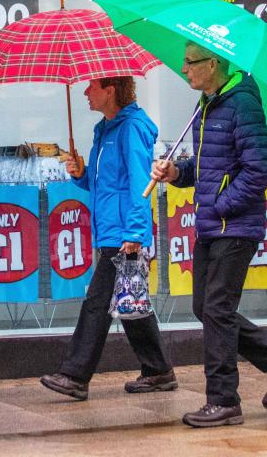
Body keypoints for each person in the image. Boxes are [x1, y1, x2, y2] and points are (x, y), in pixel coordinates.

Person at [151, 43, 267, 428]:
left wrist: (220, 205)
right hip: (210, 225)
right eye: (183, 60)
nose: (184, 68)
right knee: (204, 307)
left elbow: (258, 170)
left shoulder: (242, 103)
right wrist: (178, 174)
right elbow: (207, 168)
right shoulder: (207, 105)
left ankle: (223, 400)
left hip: (234, 226)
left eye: (191, 62)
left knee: (217, 309)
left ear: (214, 63)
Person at [40, 76, 176, 401]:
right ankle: (158, 371)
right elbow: (105, 185)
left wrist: (135, 231)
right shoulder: (105, 130)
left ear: (110, 90)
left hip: (123, 232)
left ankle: (74, 375)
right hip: (111, 230)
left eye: (92, 86)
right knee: (129, 303)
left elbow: (139, 183)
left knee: (98, 302)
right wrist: (81, 175)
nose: (86, 92)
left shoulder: (131, 129)